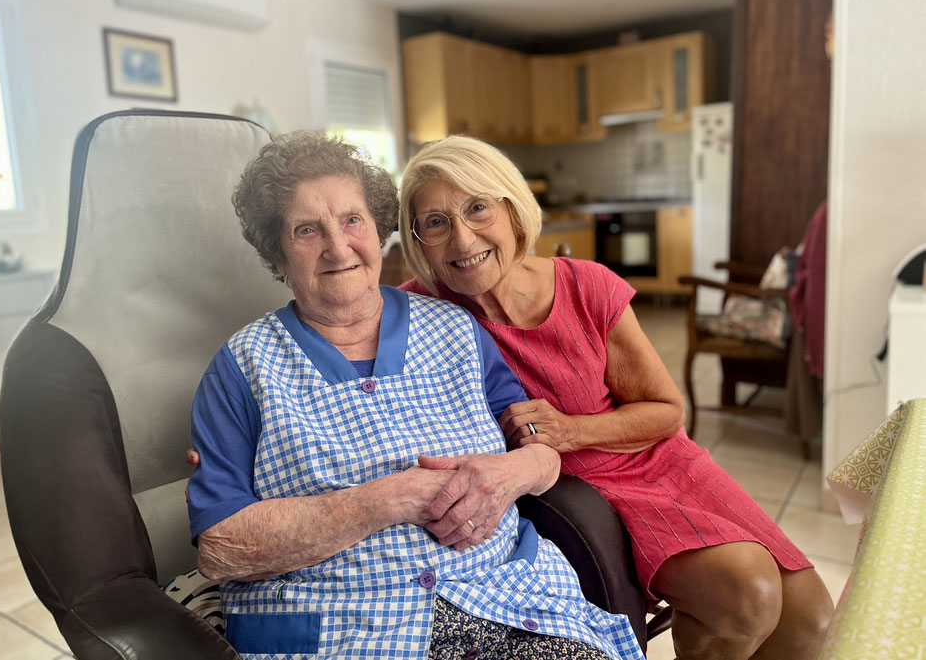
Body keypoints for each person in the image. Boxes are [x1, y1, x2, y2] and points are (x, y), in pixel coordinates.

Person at [187, 131, 643, 660]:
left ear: (378, 229)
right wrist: (393, 497)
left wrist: (514, 472)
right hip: (344, 626)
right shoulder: (242, 367)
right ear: (278, 251)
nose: (338, 247)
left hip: (500, 600)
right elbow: (222, 550)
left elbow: (538, 445)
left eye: (352, 220)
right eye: (307, 230)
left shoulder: (456, 328)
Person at [398, 136, 834, 660]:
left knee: (812, 622)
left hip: (661, 459)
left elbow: (668, 411)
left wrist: (568, 429)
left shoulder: (588, 286)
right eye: (437, 222)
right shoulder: (416, 314)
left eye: (477, 208)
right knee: (748, 595)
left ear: (511, 209)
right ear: (417, 239)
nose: (463, 239)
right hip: (589, 489)